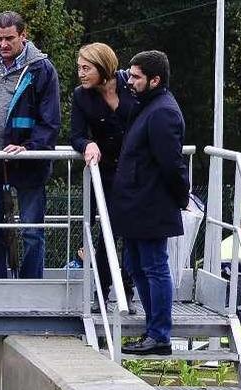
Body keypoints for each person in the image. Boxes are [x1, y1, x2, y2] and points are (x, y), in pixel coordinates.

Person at [0, 11, 61, 279]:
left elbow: (50, 120)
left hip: (28, 160)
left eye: (9, 39)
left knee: (31, 229)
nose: (3, 45)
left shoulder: (42, 69)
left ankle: (30, 288)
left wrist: (29, 148)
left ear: (23, 36)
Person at [114, 51, 190, 356]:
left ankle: (159, 335)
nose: (129, 80)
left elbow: (171, 163)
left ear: (154, 80)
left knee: (154, 266)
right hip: (137, 203)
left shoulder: (162, 112)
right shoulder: (149, 103)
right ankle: (153, 330)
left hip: (150, 203)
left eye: (135, 77)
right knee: (136, 265)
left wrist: (181, 196)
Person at [70, 42, 137, 313]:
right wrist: (87, 143)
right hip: (107, 171)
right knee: (106, 233)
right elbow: (75, 134)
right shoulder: (80, 96)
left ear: (103, 67)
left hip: (135, 172)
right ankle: (102, 293)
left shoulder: (130, 85)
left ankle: (129, 291)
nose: (81, 74)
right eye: (79, 68)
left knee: (133, 233)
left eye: (86, 68)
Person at [220, 222, 241, 339]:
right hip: (236, 273)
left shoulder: (228, 240)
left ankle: (224, 337)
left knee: (227, 304)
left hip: (221, 273)